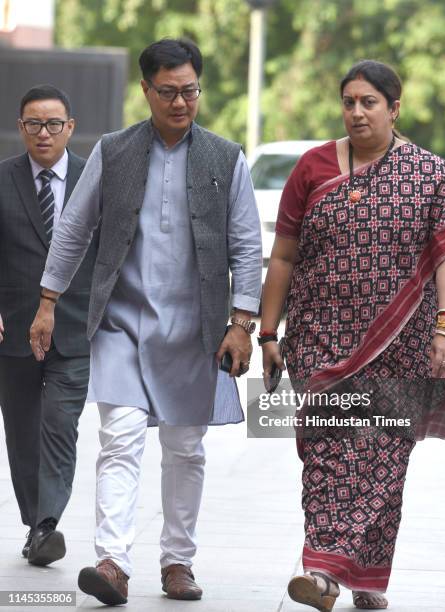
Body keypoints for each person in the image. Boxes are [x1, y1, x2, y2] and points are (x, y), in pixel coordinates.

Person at [29, 38, 261, 606]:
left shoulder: (225, 158)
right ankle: (112, 562)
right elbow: (74, 229)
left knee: (185, 449)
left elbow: (247, 244)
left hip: (195, 331)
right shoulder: (115, 150)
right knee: (120, 438)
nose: (180, 102)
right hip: (122, 326)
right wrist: (47, 300)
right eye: (168, 92)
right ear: (146, 90)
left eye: (189, 91)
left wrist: (242, 321)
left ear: (199, 89)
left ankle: (178, 562)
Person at [260, 60, 445, 611]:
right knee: (328, 457)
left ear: (395, 108)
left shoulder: (429, 174)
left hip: (402, 342)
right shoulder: (311, 168)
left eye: (369, 102)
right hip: (318, 339)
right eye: (349, 102)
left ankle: (343, 575)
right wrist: (268, 331)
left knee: (383, 455)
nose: (357, 112)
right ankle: (333, 570)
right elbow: (284, 255)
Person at [0, 85, 97, 566]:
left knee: (60, 425)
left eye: (54, 124)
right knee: (21, 432)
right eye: (34, 124)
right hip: (12, 331)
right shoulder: (1, 179)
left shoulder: (94, 179)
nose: (44, 133)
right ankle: (35, 523)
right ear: (21, 128)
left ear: (70, 127)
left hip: (76, 328)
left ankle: (46, 525)